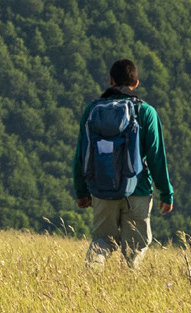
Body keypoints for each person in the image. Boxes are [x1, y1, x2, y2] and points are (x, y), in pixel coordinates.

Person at [73, 57, 173, 269]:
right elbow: (156, 156)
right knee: (134, 249)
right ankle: (128, 290)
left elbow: (81, 155)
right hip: (137, 191)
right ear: (135, 84)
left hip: (101, 190)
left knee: (101, 241)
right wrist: (166, 192)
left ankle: (89, 285)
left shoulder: (92, 110)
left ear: (110, 80)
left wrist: (82, 191)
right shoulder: (146, 112)